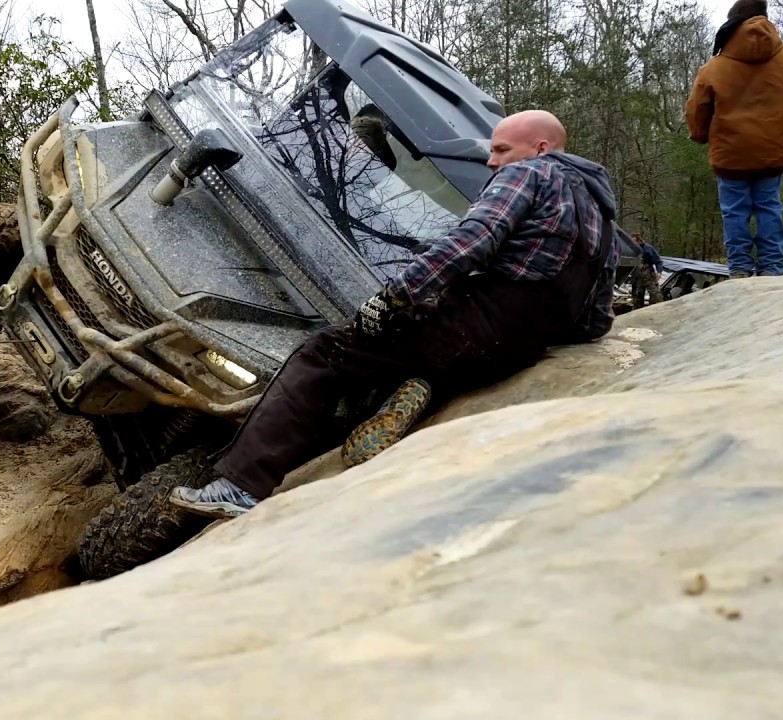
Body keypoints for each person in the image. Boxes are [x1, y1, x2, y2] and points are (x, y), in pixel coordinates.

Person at [169, 110, 621, 518]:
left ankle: (241, 485)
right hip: (516, 350)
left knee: (325, 354)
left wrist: (395, 297)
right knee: (422, 358)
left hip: (473, 321)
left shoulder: (532, 173)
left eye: (501, 149)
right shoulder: (602, 213)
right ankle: (419, 387)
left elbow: (472, 240)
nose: (491, 161)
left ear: (541, 148)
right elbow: (597, 320)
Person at [685, 0, 783, 278]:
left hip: (730, 152)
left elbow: (698, 110)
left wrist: (700, 136)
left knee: (735, 211)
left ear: (732, 24)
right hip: (773, 151)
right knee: (769, 205)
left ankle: (740, 269)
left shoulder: (714, 68)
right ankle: (771, 267)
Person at [630, 233, 664, 308]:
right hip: (637, 277)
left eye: (634, 242)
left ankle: (656, 309)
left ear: (639, 241)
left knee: (656, 296)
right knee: (637, 297)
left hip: (649, 276)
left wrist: (659, 272)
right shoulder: (631, 249)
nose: (633, 244)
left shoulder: (648, 248)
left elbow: (658, 261)